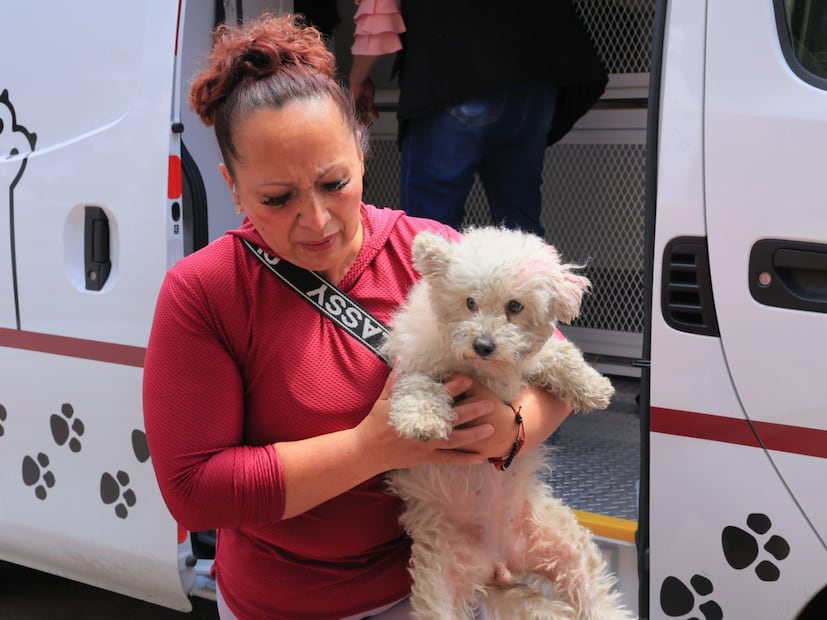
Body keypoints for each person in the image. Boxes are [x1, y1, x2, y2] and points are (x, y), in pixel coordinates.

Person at [142, 13, 573, 620]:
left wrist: (513, 428)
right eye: (277, 198)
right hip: (282, 605)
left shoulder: (430, 250)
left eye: (333, 183)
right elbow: (195, 492)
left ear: (362, 152)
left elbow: (554, 360)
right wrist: (370, 447)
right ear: (232, 188)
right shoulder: (205, 293)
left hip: (438, 589)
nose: (315, 221)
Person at [349, 0, 609, 237]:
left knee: (430, 237)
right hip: (534, 82)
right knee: (522, 235)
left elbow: (379, 11)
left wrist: (356, 80)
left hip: (453, 76)